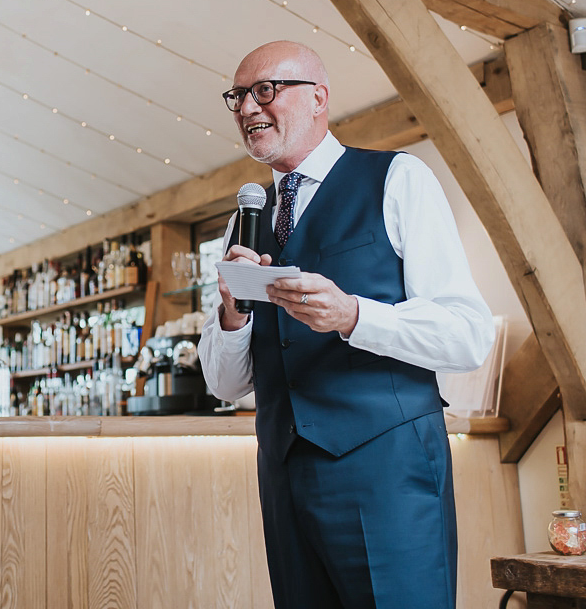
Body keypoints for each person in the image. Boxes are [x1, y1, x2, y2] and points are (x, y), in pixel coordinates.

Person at [198, 41, 493, 609]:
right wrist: (234, 311)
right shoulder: (246, 217)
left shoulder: (397, 177)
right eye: (238, 97)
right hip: (284, 475)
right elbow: (225, 385)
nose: (247, 109)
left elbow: (466, 332)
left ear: (318, 99)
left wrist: (355, 315)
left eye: (265, 90)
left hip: (386, 471)